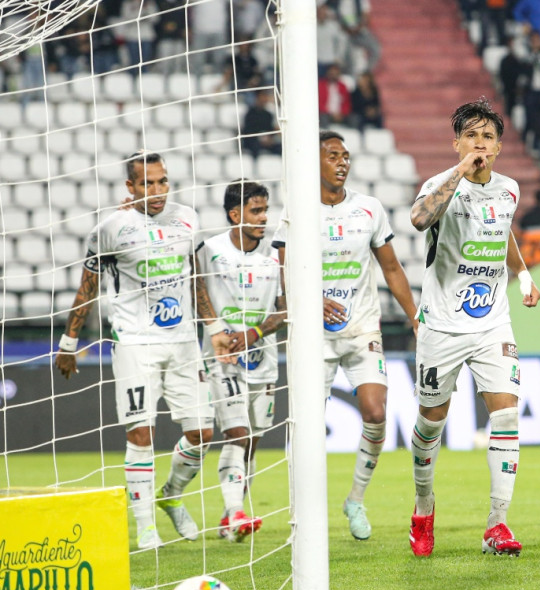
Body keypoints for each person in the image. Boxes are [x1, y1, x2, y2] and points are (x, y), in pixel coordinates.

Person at [55, 151, 233, 550]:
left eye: (162, 182)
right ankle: (145, 526)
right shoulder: (111, 228)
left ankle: (170, 494)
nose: (157, 191)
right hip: (135, 343)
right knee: (141, 432)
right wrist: (69, 342)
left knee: (202, 433)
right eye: (147, 184)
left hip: (184, 341)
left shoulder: (187, 219)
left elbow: (195, 280)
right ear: (130, 187)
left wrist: (215, 327)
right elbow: (88, 286)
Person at [407, 97, 540, 557]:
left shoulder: (509, 189)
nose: (479, 144)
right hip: (442, 326)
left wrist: (522, 274)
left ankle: (497, 525)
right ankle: (424, 508)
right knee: (430, 424)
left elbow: (501, 231)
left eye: (487, 137)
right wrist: (460, 173)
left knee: (505, 414)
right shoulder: (441, 184)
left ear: (500, 147)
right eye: (471, 136)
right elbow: (421, 218)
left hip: (492, 325)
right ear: (457, 142)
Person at [273, 130, 418, 541]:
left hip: (360, 328)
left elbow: (391, 268)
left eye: (346, 156)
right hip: (312, 337)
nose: (342, 162)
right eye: (333, 155)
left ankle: (355, 499)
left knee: (375, 413)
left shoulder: (368, 210)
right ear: (314, 163)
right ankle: (303, 513)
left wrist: (415, 317)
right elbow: (284, 274)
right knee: (306, 426)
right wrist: (312, 300)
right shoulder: (297, 211)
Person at [197, 180, 286, 542]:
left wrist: (253, 333)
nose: (264, 217)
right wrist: (219, 329)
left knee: (253, 441)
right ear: (235, 214)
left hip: (263, 360)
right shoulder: (209, 250)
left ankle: (229, 515)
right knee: (237, 433)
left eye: (265, 210)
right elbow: (195, 289)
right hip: (223, 360)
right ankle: (236, 513)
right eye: (256, 211)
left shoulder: (275, 253)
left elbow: (284, 309)